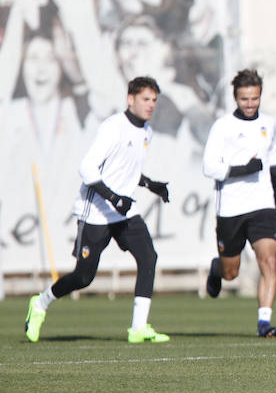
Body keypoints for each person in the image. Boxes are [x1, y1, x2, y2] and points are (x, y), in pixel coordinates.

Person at [24, 76, 172, 343]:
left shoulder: (146, 131)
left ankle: (138, 328)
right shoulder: (114, 127)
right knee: (83, 276)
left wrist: (151, 184)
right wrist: (113, 198)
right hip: (96, 212)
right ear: (130, 99)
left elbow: (125, 171)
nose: (151, 105)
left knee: (148, 257)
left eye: (154, 100)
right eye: (145, 99)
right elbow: (88, 168)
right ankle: (40, 303)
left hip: (123, 212)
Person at [202, 68, 276, 338]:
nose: (250, 104)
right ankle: (216, 267)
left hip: (262, 205)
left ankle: (264, 322)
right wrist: (243, 168)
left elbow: (272, 158)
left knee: (268, 259)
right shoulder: (223, 127)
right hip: (230, 208)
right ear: (235, 97)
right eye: (244, 99)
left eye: (254, 98)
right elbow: (208, 166)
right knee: (231, 272)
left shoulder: (268, 123)